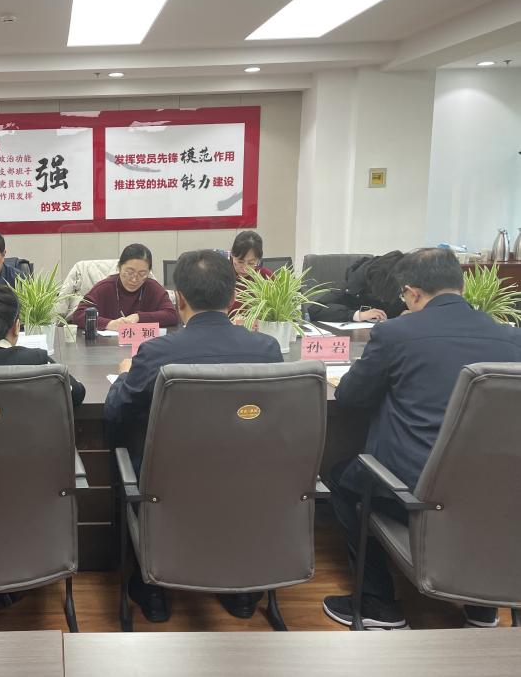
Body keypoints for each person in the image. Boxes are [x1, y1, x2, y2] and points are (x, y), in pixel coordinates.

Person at [322, 248, 521, 630]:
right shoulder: (511, 338)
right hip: (493, 490)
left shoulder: (396, 334)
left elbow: (349, 397)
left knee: (343, 479)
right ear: (461, 286)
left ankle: (378, 604)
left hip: (415, 489)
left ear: (412, 293)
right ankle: (482, 605)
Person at [105, 249, 283, 624]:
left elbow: (116, 413)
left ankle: (153, 592)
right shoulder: (266, 349)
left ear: (179, 298)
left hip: (170, 486)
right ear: (233, 296)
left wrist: (124, 375)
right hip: (246, 482)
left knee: (128, 458)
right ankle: (242, 593)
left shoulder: (157, 353)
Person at [69, 244, 177, 330]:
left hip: (144, 346)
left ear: (149, 272)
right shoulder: (105, 287)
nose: (134, 279)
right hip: (106, 346)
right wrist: (110, 324)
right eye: (129, 272)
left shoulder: (153, 288)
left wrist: (138, 317)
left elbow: (171, 315)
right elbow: (78, 315)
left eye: (142, 274)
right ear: (119, 267)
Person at [307, 251, 406, 323]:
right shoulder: (353, 288)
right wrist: (358, 315)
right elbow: (315, 310)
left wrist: (411, 312)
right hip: (353, 338)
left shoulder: (403, 285)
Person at [227, 230, 273, 315]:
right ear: (232, 254)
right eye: (240, 262)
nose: (244, 268)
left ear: (258, 260)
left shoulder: (265, 277)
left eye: (251, 263)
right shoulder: (221, 275)